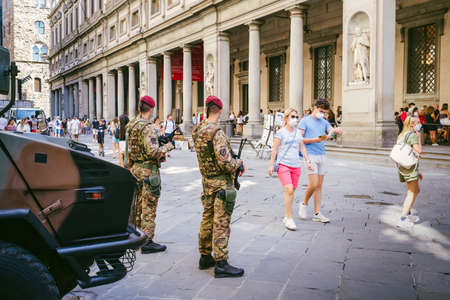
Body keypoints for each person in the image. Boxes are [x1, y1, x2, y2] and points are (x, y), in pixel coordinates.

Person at [192, 95, 245, 278]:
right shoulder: (217, 133)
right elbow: (226, 163)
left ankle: (205, 256)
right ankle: (221, 263)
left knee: (207, 218)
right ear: (220, 111)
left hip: (206, 182)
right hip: (221, 184)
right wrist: (238, 163)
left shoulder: (198, 130)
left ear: (207, 109)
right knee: (221, 222)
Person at [126, 96, 174, 253]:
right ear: (152, 109)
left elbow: (128, 151)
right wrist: (167, 147)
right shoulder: (148, 127)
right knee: (149, 207)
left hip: (135, 169)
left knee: (136, 205)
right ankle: (147, 242)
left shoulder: (131, 125)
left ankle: (135, 235)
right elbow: (153, 151)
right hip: (148, 171)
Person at [298, 99, 342, 223]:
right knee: (314, 184)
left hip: (322, 155)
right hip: (309, 155)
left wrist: (337, 132)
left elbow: (330, 133)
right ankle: (304, 203)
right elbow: (299, 140)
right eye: (321, 111)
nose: (322, 114)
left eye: (324, 113)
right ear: (315, 107)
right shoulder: (304, 121)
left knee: (319, 186)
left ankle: (317, 213)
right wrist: (314, 140)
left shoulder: (324, 122)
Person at [268, 108, 313, 230]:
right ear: (286, 118)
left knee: (291, 191)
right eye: (292, 117)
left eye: (297, 117)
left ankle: (287, 216)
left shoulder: (298, 133)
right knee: (289, 189)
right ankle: (288, 218)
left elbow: (302, 148)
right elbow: (275, 150)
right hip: (283, 165)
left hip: (296, 166)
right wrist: (271, 165)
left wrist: (307, 161)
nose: (295, 119)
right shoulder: (280, 133)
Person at [396, 116, 422, 229]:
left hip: (404, 167)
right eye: (418, 122)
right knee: (411, 192)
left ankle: (409, 212)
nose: (420, 124)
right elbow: (419, 151)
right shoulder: (412, 135)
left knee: (416, 190)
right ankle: (403, 218)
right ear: (412, 124)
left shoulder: (402, 135)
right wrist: (419, 138)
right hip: (409, 168)